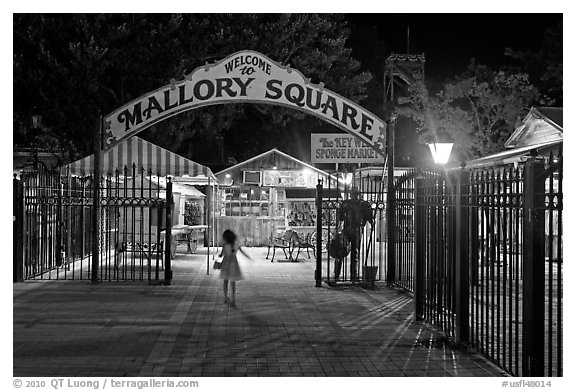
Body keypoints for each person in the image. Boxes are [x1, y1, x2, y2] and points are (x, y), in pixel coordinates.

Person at [337, 187, 373, 281]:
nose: (354, 196)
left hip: (357, 229)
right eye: (353, 194)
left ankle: (354, 274)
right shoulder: (346, 203)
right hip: (347, 228)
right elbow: (340, 217)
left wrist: (372, 221)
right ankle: (337, 272)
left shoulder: (363, 204)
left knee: (355, 252)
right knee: (341, 250)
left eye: (356, 194)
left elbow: (369, 216)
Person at [218, 229, 251, 307]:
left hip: (226, 264)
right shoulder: (236, 245)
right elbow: (243, 252)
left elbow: (221, 255)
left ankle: (226, 297)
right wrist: (248, 257)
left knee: (225, 281)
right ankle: (233, 299)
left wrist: (220, 255)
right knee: (233, 282)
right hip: (234, 264)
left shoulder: (225, 245)